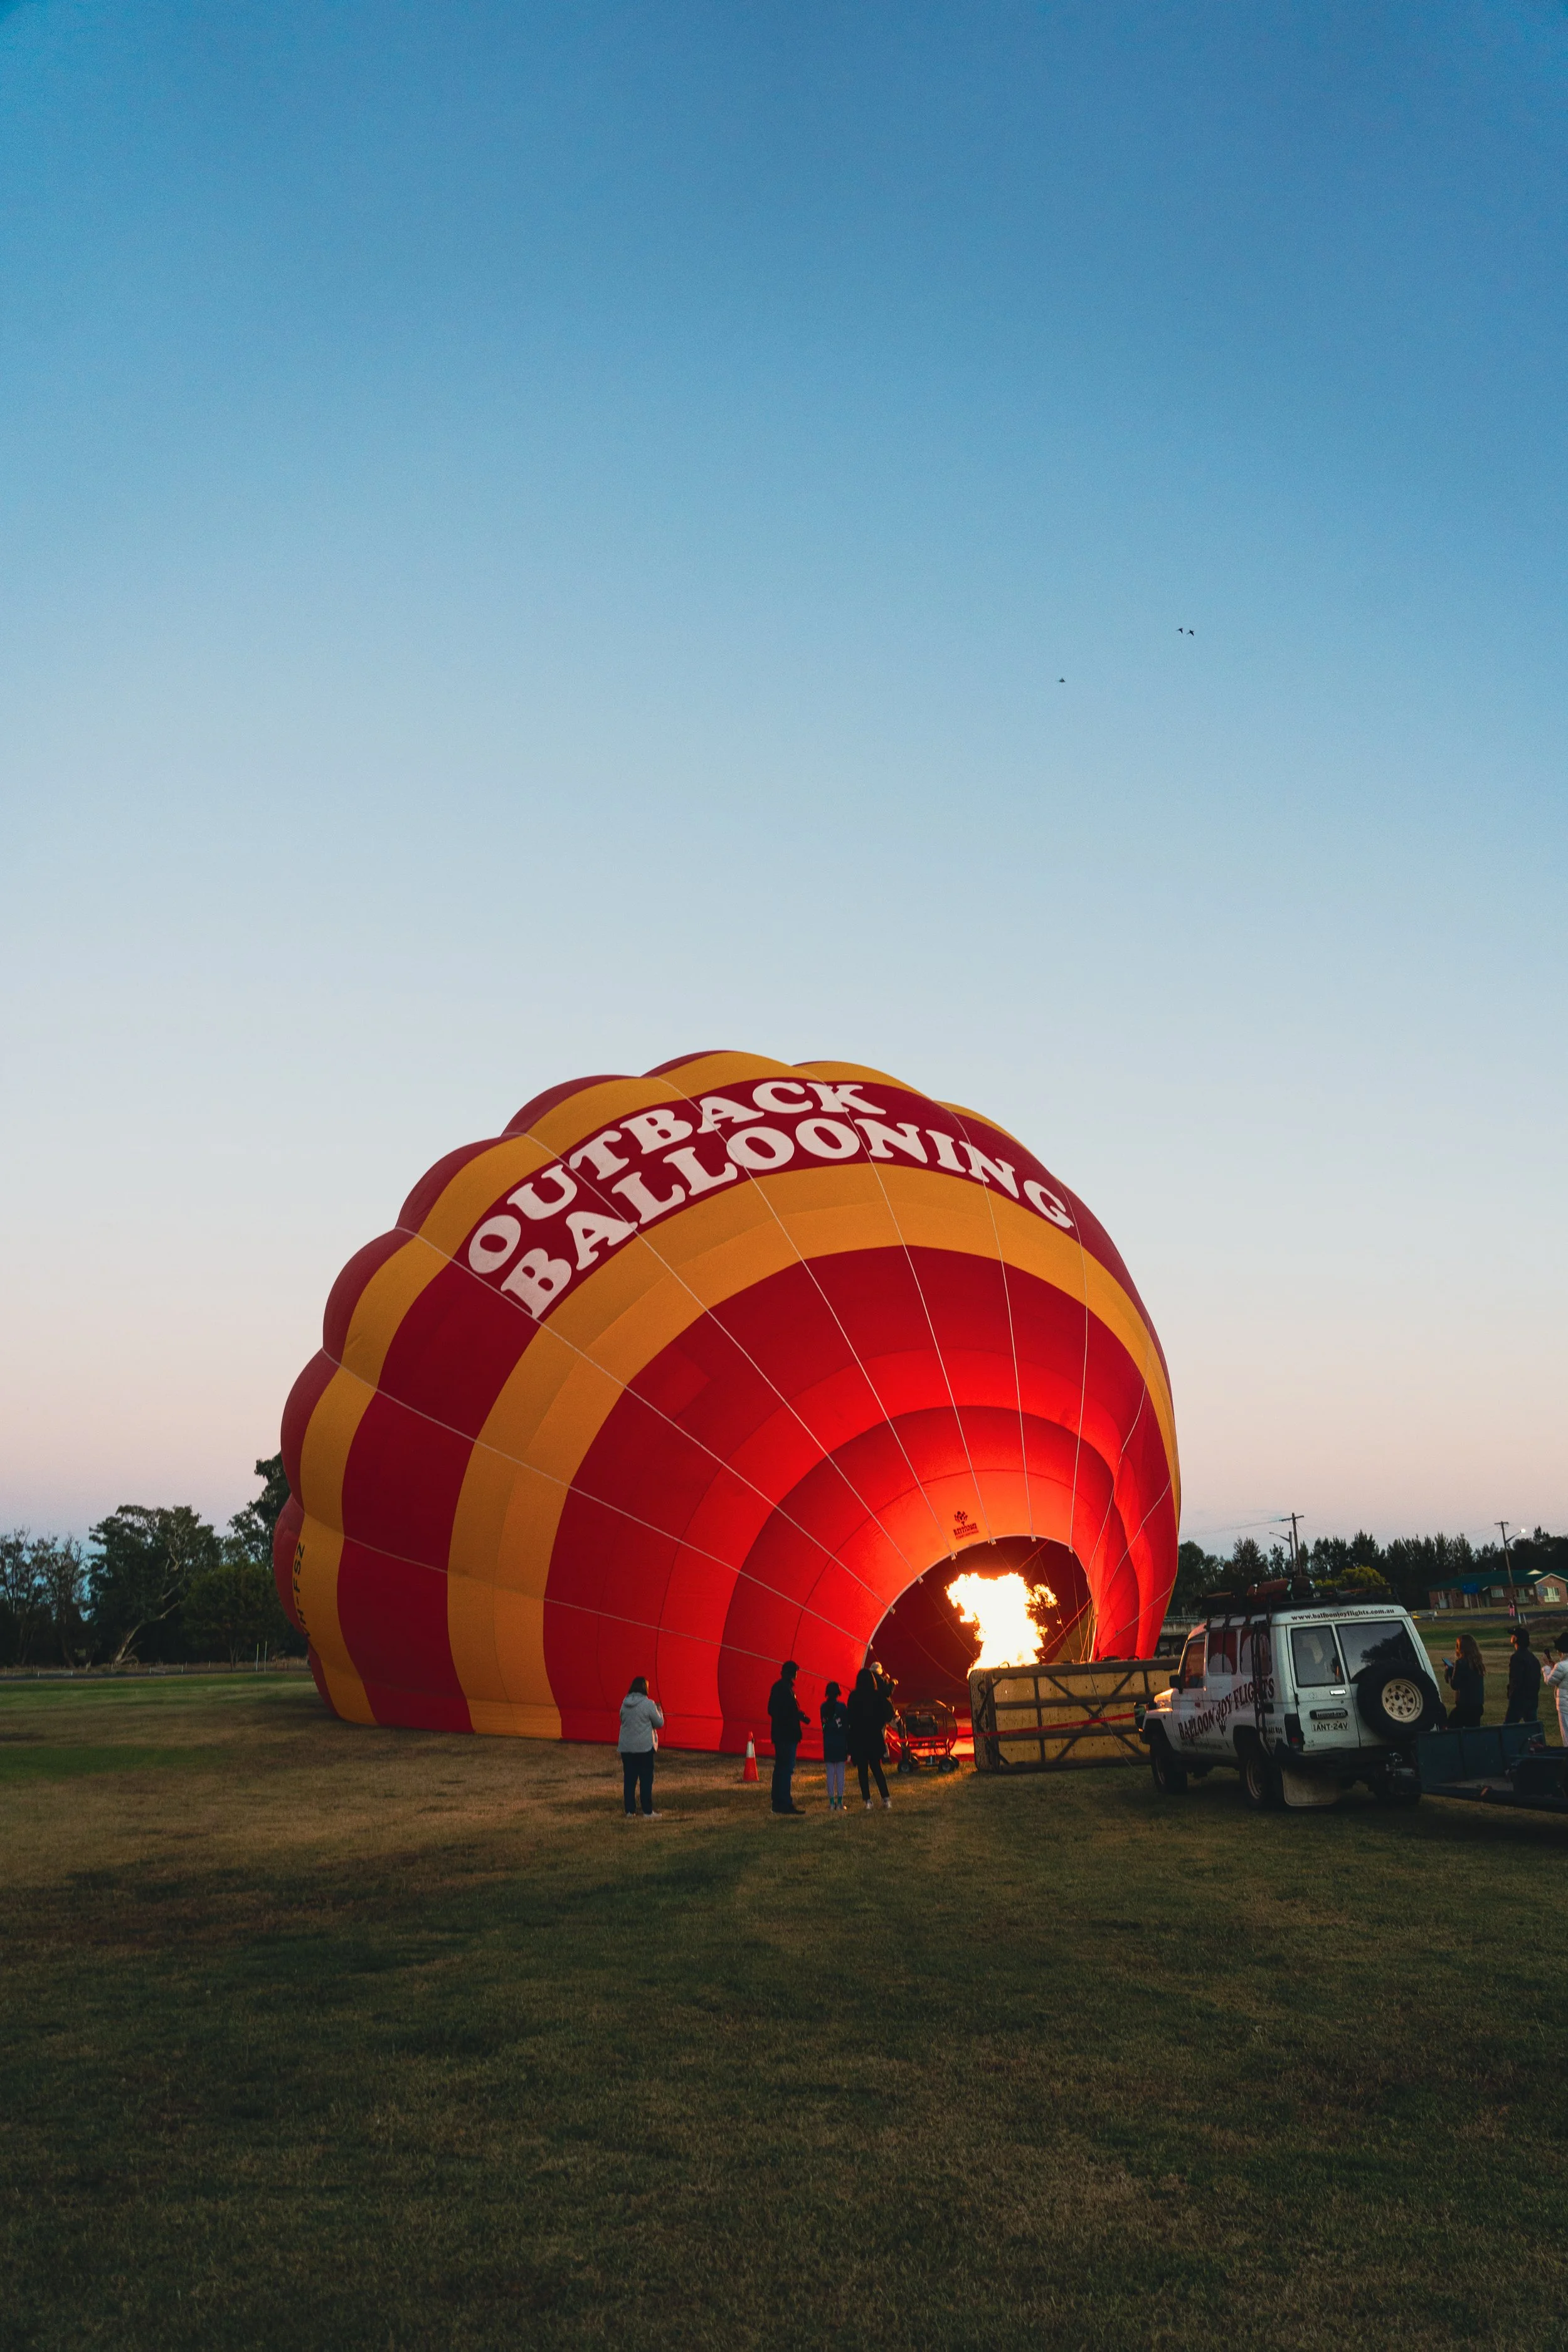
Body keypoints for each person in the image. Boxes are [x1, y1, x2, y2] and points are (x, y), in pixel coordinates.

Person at [847, 1664, 894, 1810]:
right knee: (877, 1769)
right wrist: (879, 1724)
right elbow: (888, 1712)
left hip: (859, 1737)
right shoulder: (877, 1695)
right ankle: (886, 1799)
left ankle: (867, 1801)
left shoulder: (854, 1696)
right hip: (874, 1736)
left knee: (863, 1770)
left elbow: (850, 1717)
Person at [618, 1674, 664, 1819]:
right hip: (644, 1748)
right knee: (645, 1780)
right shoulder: (649, 1704)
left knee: (630, 1780)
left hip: (626, 1748)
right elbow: (659, 1723)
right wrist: (660, 1712)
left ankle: (630, 1811)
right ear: (645, 1688)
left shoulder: (624, 1703)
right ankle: (647, 1811)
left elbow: (622, 1718)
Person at [767, 1659, 809, 1814]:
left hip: (780, 1735)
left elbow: (772, 1709)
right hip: (787, 1735)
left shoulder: (779, 1688)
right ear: (792, 1673)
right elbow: (777, 1711)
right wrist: (794, 1715)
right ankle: (784, 1803)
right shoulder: (784, 1689)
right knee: (786, 1769)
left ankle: (777, 1802)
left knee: (780, 1769)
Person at [1443, 1632, 1485, 1730]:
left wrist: (1450, 1671)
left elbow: (1455, 1685)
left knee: (1450, 1728)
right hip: (1477, 1706)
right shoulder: (1478, 1663)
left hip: (1464, 1707)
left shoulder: (1460, 1663)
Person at [820, 1679, 850, 1813]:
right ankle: (840, 1802)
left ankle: (831, 1802)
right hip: (840, 1742)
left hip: (828, 1742)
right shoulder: (842, 1708)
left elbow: (824, 1726)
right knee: (840, 1773)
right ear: (838, 1693)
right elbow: (846, 1726)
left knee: (830, 1773)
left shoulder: (823, 1707)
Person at [1505, 1627, 1544, 1725]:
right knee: (1533, 1729)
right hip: (1532, 1699)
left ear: (1516, 1639)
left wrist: (1512, 1695)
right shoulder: (1533, 1658)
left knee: (1508, 1728)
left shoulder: (1517, 1657)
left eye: (1513, 1635)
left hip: (1519, 1700)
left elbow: (1516, 1680)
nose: (1512, 1637)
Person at [1542, 1640, 1568, 1751]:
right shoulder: (1560, 1667)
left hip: (1565, 1707)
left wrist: (1547, 1668)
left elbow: (1549, 1681)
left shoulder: (1561, 1667)